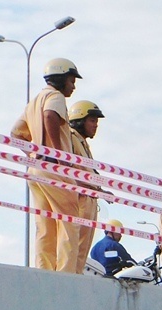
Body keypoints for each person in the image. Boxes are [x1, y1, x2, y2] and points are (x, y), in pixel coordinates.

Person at [10, 58, 83, 272]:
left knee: (45, 224)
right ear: (61, 79)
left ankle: (45, 270)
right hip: (55, 170)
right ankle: (66, 272)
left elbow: (15, 134)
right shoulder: (55, 96)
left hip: (36, 169)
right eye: (71, 81)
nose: (73, 86)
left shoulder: (34, 101)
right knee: (69, 221)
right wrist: (58, 155)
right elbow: (50, 115)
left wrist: (35, 155)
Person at [67, 100, 104, 274]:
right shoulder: (70, 138)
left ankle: (76, 277)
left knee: (82, 251)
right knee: (74, 248)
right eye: (92, 120)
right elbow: (67, 171)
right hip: (79, 200)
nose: (96, 125)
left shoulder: (82, 143)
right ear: (80, 120)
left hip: (89, 199)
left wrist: (100, 190)